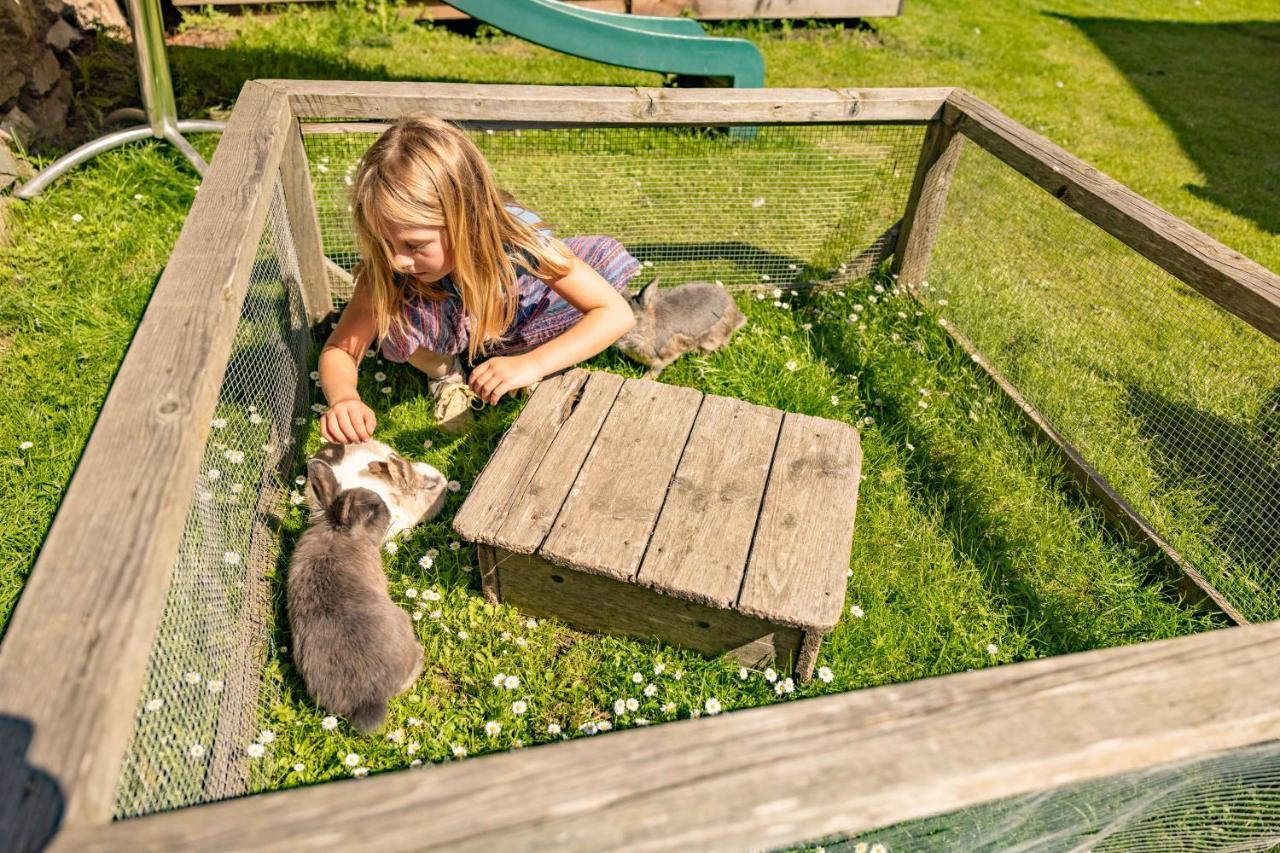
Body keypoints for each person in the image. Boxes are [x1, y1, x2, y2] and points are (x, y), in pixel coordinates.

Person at [317, 114, 640, 442]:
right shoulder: (393, 265)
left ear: (465, 218)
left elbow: (614, 313)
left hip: (508, 310)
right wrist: (344, 398)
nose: (398, 259)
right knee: (393, 309)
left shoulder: (514, 235)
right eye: (385, 242)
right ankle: (445, 374)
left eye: (415, 245)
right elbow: (341, 349)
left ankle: (513, 360)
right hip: (449, 316)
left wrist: (533, 365)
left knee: (596, 271)